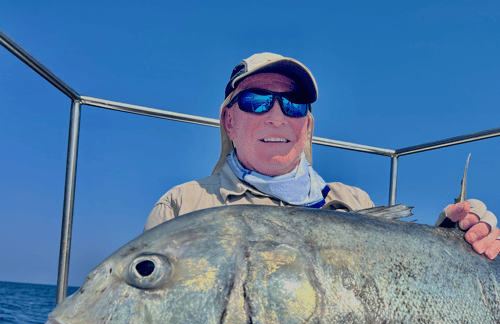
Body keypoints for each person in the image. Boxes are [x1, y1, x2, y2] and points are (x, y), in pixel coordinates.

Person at [145, 52, 500, 260]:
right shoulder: (182, 207)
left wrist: (453, 244)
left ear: (308, 125)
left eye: (293, 104)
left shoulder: (355, 201)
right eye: (256, 100)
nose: (277, 116)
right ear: (229, 120)